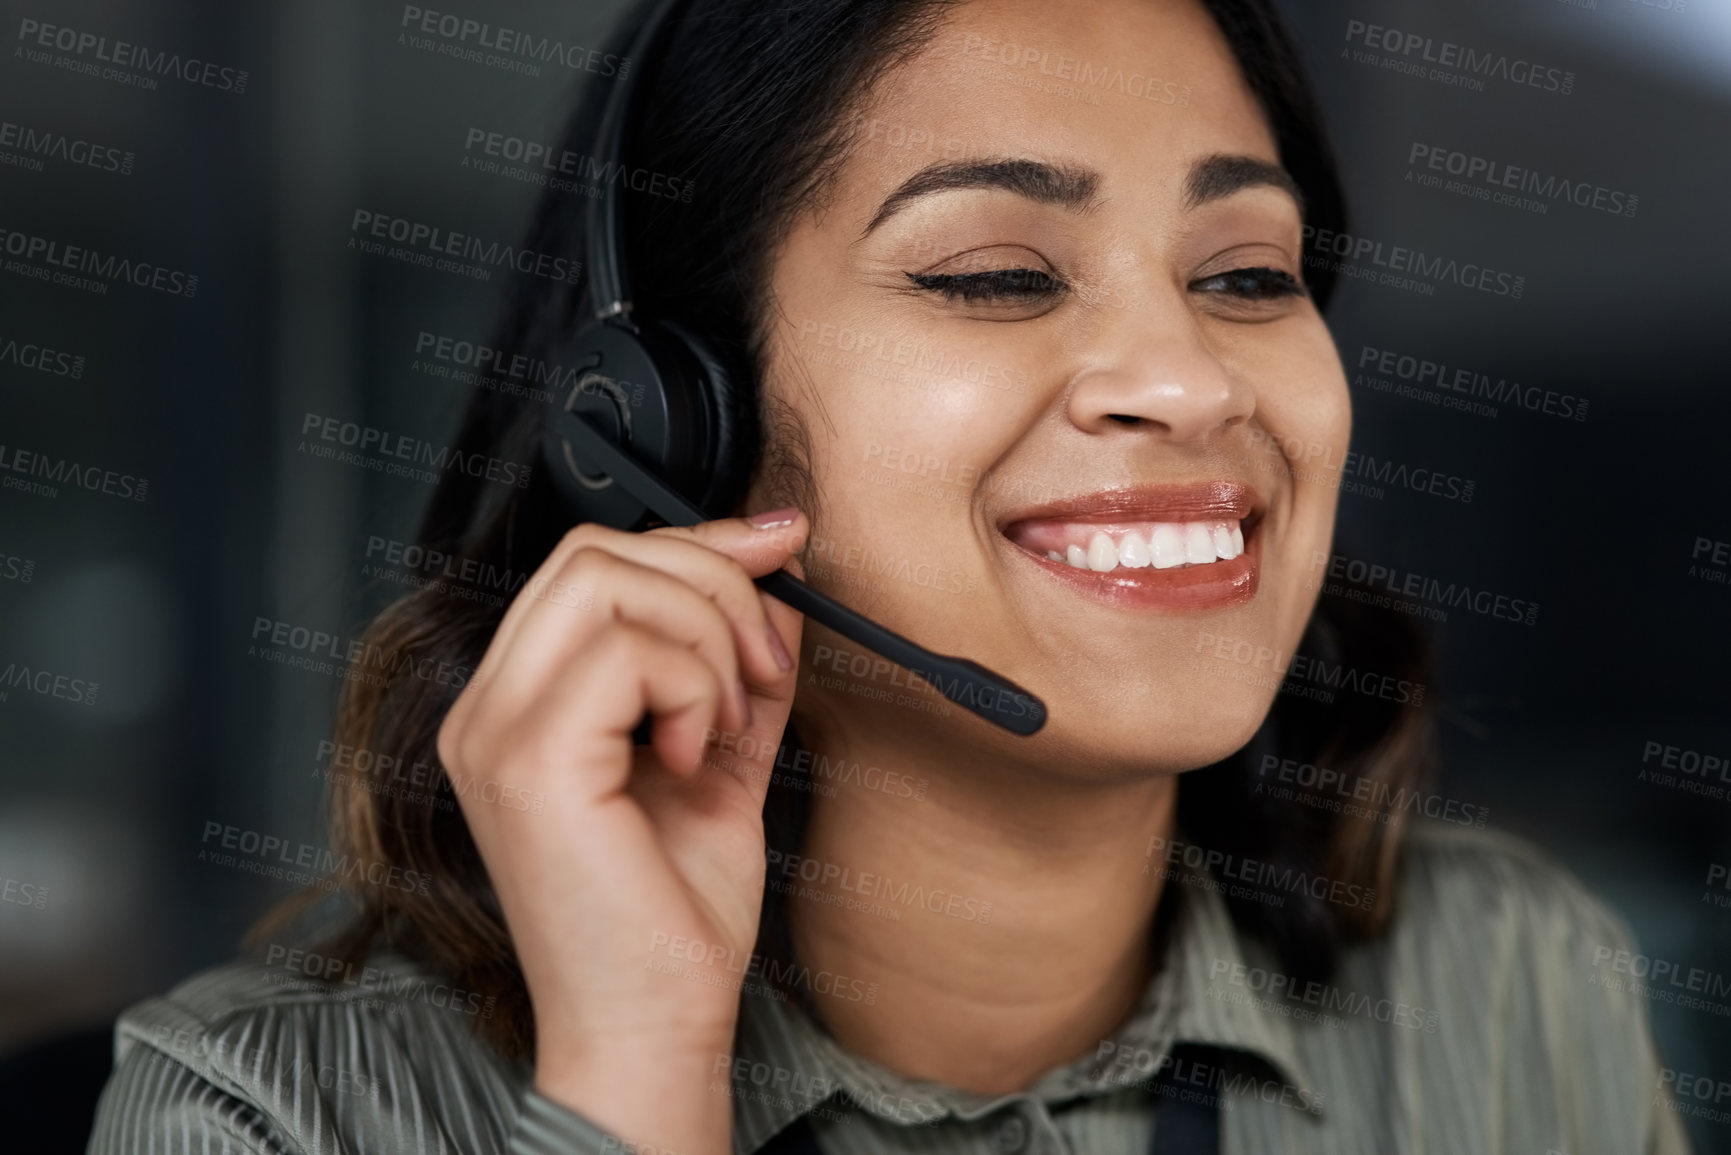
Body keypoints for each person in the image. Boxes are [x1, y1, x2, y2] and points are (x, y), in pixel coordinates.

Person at [87, 0, 1688, 1152]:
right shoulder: (273, 1112)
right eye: (998, 275)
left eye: (1248, 275)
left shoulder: (1505, 986)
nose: (1193, 380)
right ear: (665, 425)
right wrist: (637, 1073)